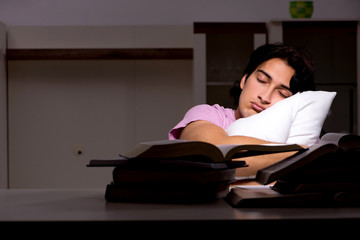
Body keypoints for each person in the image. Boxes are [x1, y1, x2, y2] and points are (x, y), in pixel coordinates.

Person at [168, 43, 316, 177]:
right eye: (262, 80)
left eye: (282, 93)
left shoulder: (296, 133)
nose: (265, 97)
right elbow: (213, 154)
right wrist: (302, 153)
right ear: (244, 81)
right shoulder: (209, 114)